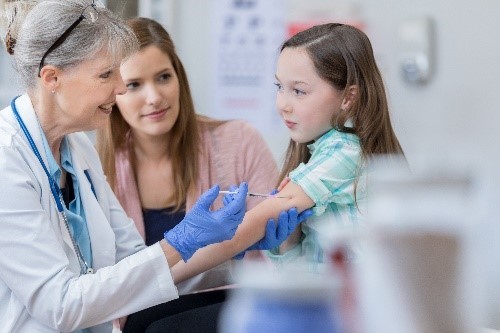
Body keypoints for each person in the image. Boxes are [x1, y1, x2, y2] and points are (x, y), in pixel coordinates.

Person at [0, 1, 303, 332]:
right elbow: (60, 306)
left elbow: (135, 268)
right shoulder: (7, 161)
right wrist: (181, 240)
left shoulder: (77, 147)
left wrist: (228, 254)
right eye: (106, 74)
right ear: (52, 77)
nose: (119, 88)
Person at [95, 17, 309, 332]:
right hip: (146, 311)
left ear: (179, 78)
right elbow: (109, 282)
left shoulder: (238, 141)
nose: (154, 97)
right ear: (113, 93)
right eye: (134, 85)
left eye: (163, 77)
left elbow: (283, 236)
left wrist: (276, 236)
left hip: (232, 301)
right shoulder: (103, 170)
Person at [165, 22, 405, 292]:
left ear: (348, 98)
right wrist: (288, 240)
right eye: (279, 87)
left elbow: (244, 232)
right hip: (314, 301)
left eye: (299, 91)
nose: (282, 104)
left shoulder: (345, 153)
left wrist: (153, 279)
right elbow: (298, 272)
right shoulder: (322, 151)